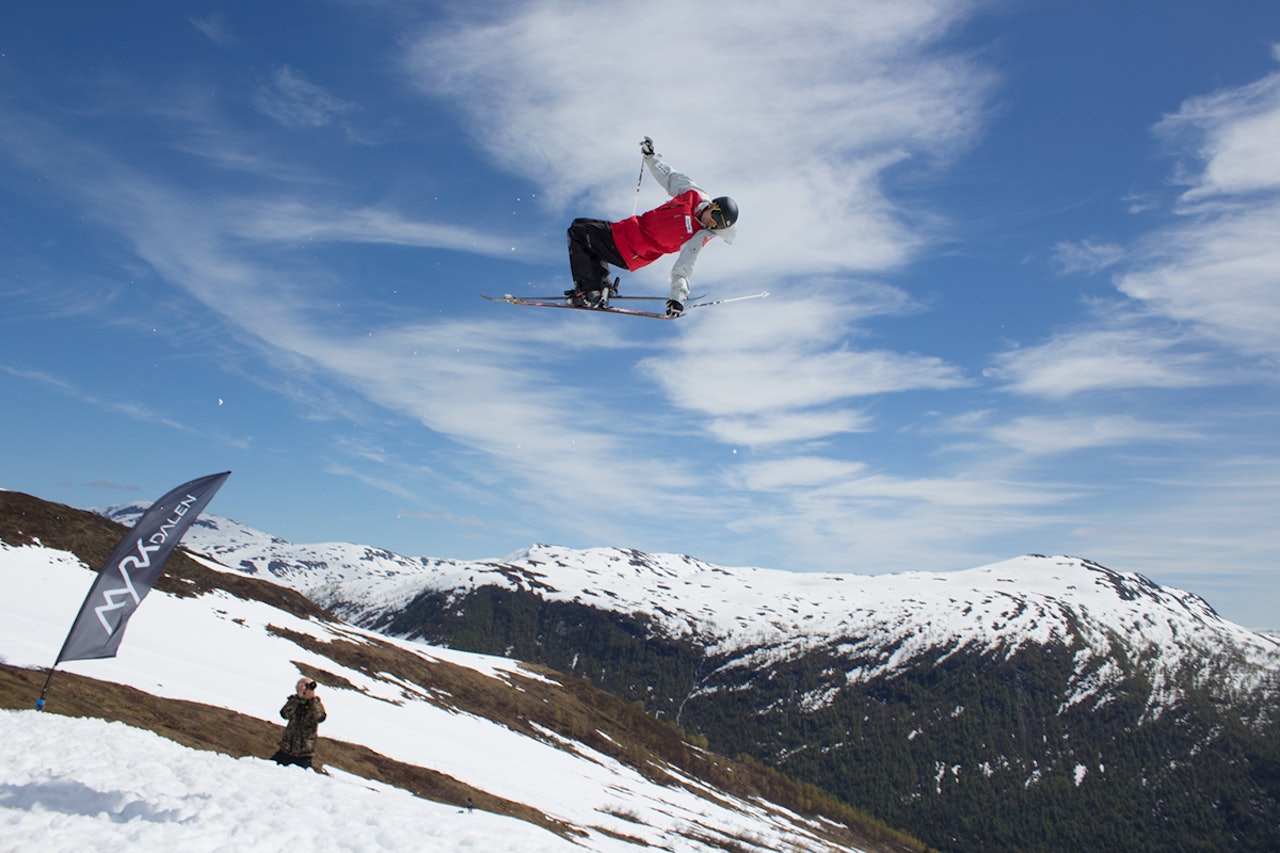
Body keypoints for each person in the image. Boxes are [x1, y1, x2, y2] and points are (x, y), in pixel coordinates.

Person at [566, 137, 738, 317]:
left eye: (717, 226)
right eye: (715, 218)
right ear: (712, 205)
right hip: (627, 230)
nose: (712, 224)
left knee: (578, 234)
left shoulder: (699, 235)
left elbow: (684, 267)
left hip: (633, 249)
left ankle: (589, 292)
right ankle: (599, 288)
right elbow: (669, 177)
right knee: (580, 224)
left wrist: (677, 298)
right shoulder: (694, 194)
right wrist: (651, 157)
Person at [271, 677, 327, 769]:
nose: (307, 689)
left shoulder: (315, 704)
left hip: (304, 753)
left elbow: (320, 717)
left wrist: (312, 699)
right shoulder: (293, 701)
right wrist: (297, 698)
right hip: (286, 750)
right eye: (304, 686)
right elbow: (284, 714)